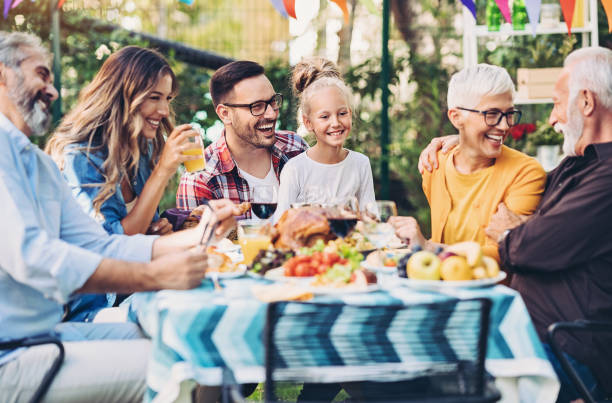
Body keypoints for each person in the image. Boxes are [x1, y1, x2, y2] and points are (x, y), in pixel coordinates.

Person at [0, 31, 238, 402]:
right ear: (3, 75)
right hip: (12, 354)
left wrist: (203, 232)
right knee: (188, 366)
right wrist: (154, 275)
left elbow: (101, 244)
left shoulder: (38, 163)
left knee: (198, 348)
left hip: (45, 335)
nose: (53, 90)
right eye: (42, 75)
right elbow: (34, 258)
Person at [420, 47, 612, 402]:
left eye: (557, 103)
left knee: (433, 382)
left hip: (566, 345)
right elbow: (537, 229)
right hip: (525, 329)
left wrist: (513, 232)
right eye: (494, 114)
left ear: (586, 102)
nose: (553, 118)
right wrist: (464, 141)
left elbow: (529, 246)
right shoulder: (580, 165)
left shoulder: (607, 177)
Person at [45, 46, 204, 322]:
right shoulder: (80, 156)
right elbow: (111, 245)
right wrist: (164, 169)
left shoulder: (139, 150)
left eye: (167, 98)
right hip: (93, 309)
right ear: (123, 95)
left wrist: (158, 229)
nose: (164, 110)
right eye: (154, 98)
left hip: (135, 290)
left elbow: (139, 229)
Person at [391, 64, 546, 262]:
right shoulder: (434, 165)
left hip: (495, 291)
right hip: (440, 287)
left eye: (509, 114)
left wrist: (429, 247)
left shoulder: (526, 173)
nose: (505, 125)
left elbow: (502, 254)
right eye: (491, 114)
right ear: (456, 117)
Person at [175, 60, 308, 218]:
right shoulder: (201, 180)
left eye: (273, 102)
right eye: (257, 106)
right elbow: (196, 241)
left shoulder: (295, 148)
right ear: (225, 114)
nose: (272, 113)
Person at [274, 57, 375, 218]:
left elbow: (372, 220)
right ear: (308, 123)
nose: (335, 123)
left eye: (342, 113)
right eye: (324, 117)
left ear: (350, 113)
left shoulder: (360, 164)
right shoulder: (295, 169)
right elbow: (281, 224)